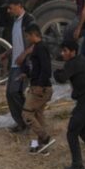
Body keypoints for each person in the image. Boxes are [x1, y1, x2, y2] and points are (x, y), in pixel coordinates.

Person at [54, 40, 85, 169]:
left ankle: (77, 164)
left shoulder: (73, 63)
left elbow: (62, 78)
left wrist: (56, 72)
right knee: (83, 130)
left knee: (72, 132)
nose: (62, 53)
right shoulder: (83, 60)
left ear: (73, 51)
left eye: (65, 51)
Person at [16, 24, 55, 153]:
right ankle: (40, 145)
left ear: (33, 35)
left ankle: (44, 137)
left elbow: (46, 69)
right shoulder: (37, 48)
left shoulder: (41, 48)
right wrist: (26, 74)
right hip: (39, 86)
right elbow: (37, 68)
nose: (27, 38)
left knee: (27, 114)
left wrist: (39, 85)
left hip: (41, 88)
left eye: (27, 36)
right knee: (38, 115)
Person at [2, 0, 34, 132]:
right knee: (10, 94)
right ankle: (21, 122)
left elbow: (36, 43)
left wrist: (24, 55)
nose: (8, 11)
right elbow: (18, 43)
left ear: (19, 5)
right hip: (15, 63)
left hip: (24, 64)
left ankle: (27, 121)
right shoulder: (15, 22)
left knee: (15, 92)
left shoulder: (29, 20)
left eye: (10, 8)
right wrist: (8, 52)